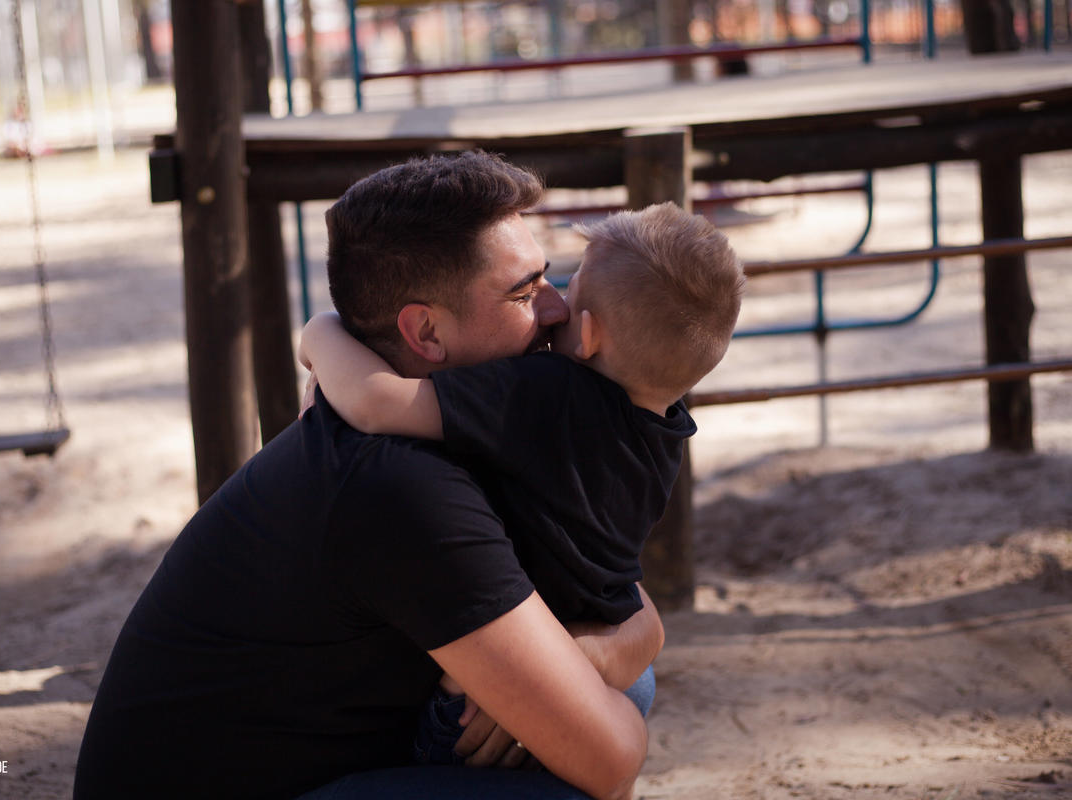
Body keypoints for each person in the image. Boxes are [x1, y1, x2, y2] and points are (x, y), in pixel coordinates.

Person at [73, 151, 664, 800]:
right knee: (571, 779)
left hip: (318, 759)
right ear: (425, 332)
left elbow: (619, 598)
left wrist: (595, 658)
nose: (555, 311)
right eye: (523, 292)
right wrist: (580, 678)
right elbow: (612, 766)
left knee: (616, 676)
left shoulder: (451, 422)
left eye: (547, 281)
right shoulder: (400, 486)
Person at [298, 202, 745, 765]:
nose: (555, 302)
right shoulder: (663, 431)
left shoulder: (547, 393)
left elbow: (373, 402)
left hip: (467, 704)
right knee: (634, 687)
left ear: (587, 336)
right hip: (560, 649)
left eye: (570, 285)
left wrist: (320, 332)